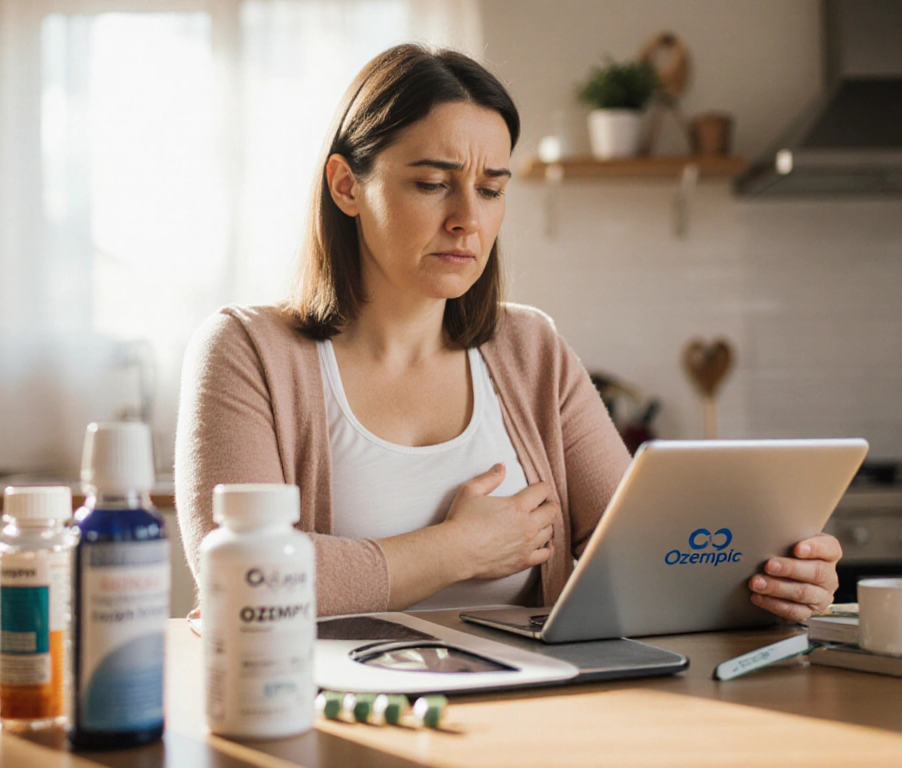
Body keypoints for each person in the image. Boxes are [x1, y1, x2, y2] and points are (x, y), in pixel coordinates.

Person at [174, 43, 841, 620]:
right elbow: (241, 575)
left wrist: (770, 578)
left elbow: (642, 551)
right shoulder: (245, 350)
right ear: (347, 186)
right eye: (434, 182)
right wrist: (455, 550)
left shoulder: (532, 350)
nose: (469, 218)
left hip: (527, 716)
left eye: (491, 189)